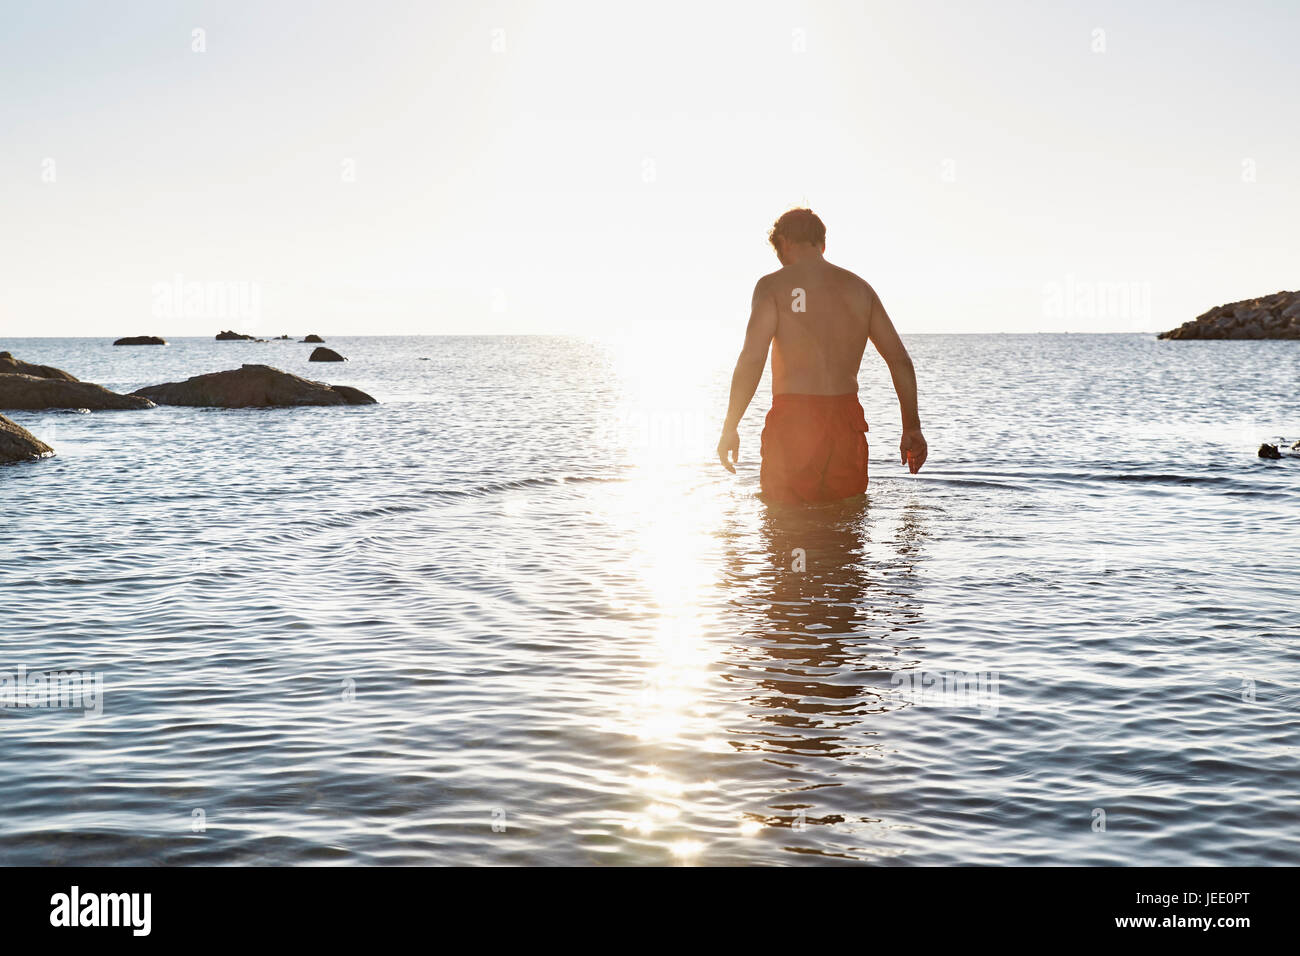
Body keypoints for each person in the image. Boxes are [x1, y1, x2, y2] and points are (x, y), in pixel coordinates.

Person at [716, 208, 927, 503]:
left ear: (784, 242)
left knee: (785, 528)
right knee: (846, 526)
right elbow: (899, 360)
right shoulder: (860, 289)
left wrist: (730, 426)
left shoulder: (773, 286)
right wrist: (911, 427)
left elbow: (752, 359)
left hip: (794, 421)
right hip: (847, 422)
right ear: (822, 244)